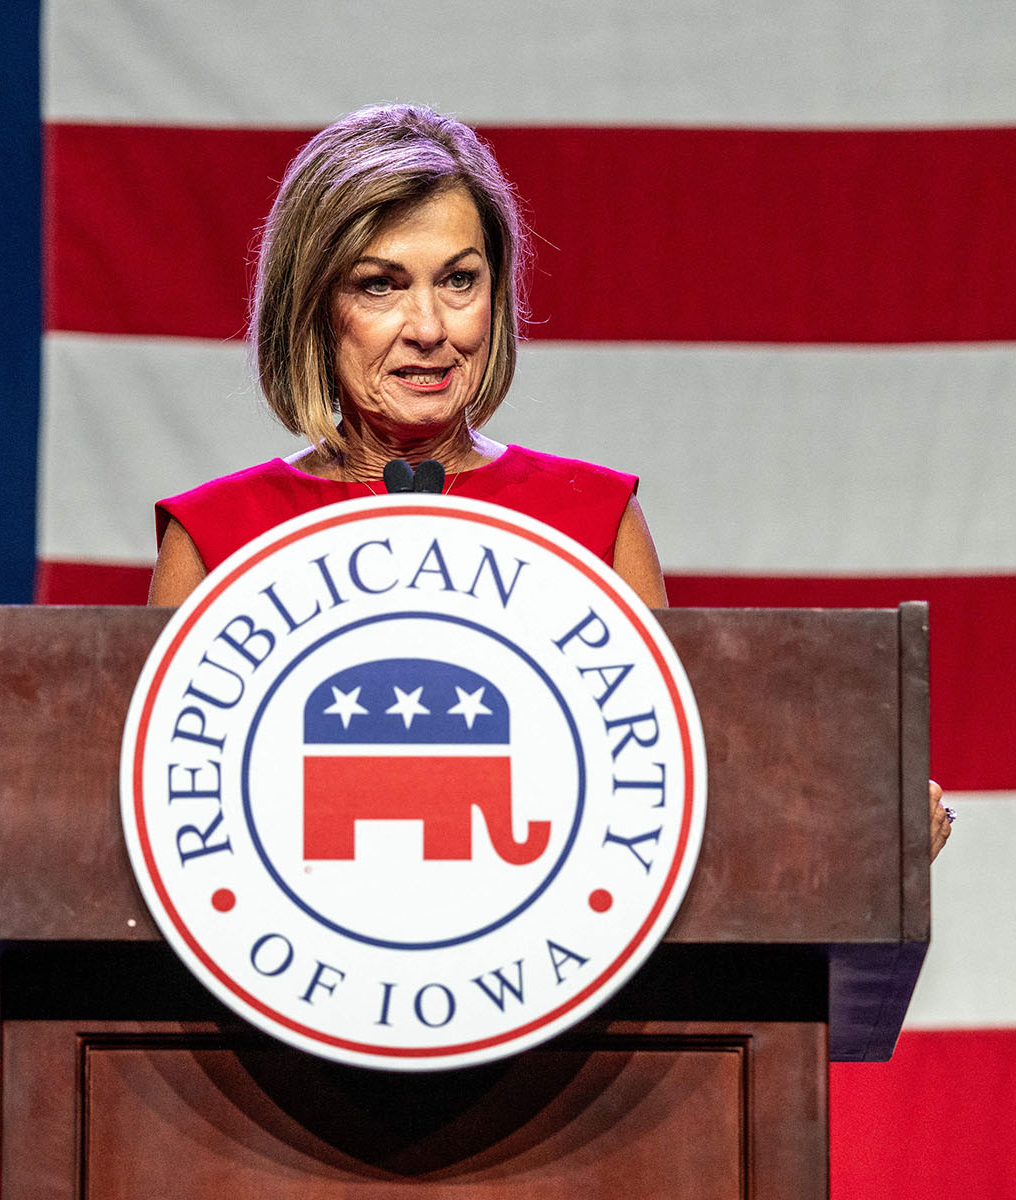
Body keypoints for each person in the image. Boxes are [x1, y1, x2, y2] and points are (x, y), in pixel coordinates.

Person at [147, 103, 951, 860]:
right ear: (313, 306)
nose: (429, 329)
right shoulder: (220, 538)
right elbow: (159, 822)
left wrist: (863, 836)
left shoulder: (592, 521)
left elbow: (674, 803)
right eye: (379, 285)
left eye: (459, 281)